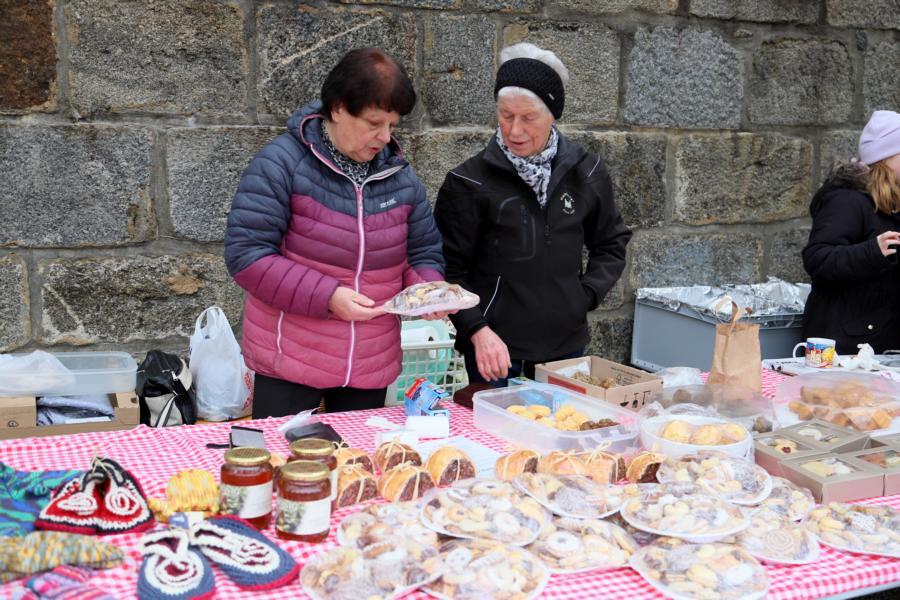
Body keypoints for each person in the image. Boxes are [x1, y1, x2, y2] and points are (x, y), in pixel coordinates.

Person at [225, 48, 446, 417]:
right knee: (283, 453)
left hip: (370, 362)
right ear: (339, 108)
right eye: (374, 123)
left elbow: (422, 252)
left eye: (392, 126)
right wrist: (328, 296)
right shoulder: (281, 164)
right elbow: (247, 256)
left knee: (358, 454)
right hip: (291, 361)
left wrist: (427, 290)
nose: (384, 137)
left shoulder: (401, 178)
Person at [433, 43, 632, 386]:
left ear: (553, 114)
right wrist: (476, 330)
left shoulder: (586, 172)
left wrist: (584, 296)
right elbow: (449, 271)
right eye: (505, 115)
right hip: (494, 351)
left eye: (528, 118)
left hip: (565, 349)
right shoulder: (467, 182)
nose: (514, 130)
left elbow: (611, 242)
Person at [802, 109, 900, 355]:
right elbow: (818, 259)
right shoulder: (847, 199)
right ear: (886, 157)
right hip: (841, 351)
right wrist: (873, 251)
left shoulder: (893, 198)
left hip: (882, 348)